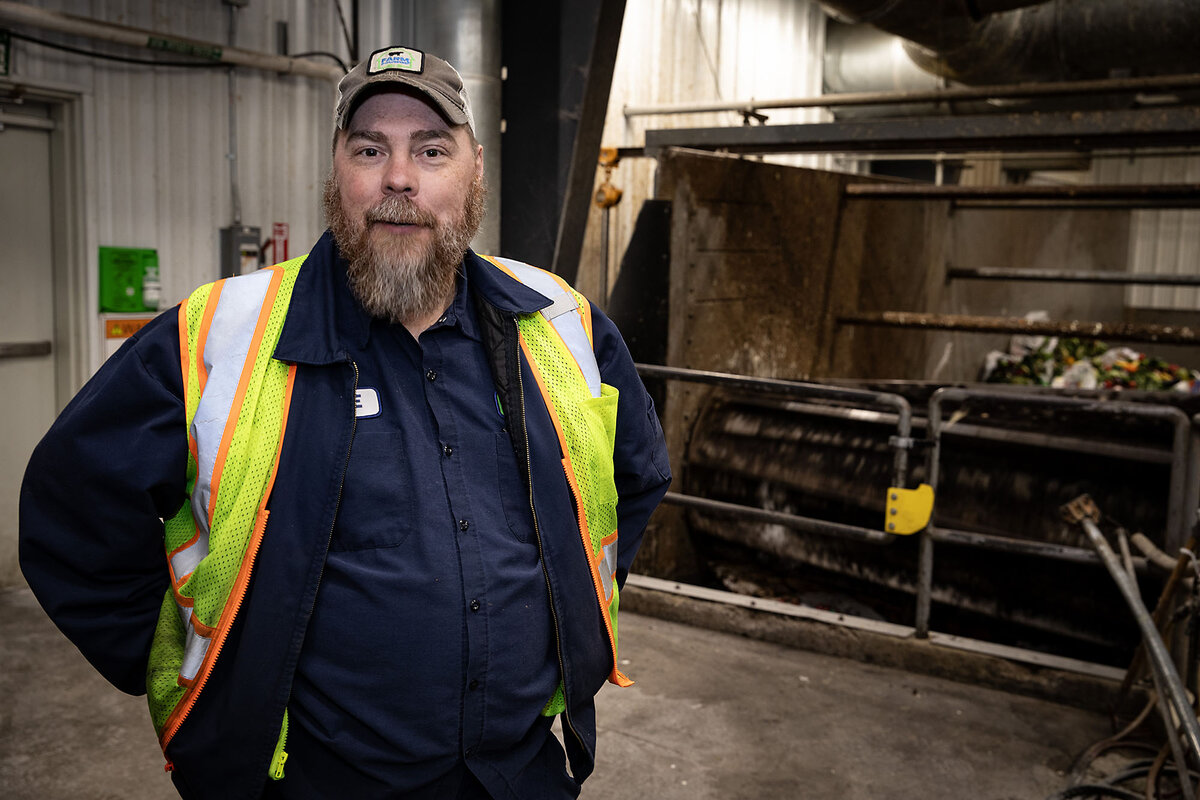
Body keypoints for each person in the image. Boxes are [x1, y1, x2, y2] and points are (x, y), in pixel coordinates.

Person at [19, 45, 671, 800]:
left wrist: (567, 612)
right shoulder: (221, 335)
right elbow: (70, 512)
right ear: (337, 174)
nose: (400, 177)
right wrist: (196, 671)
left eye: (431, 149)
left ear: (474, 173)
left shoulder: (560, 322)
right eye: (371, 149)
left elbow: (633, 476)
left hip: (517, 774)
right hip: (312, 780)